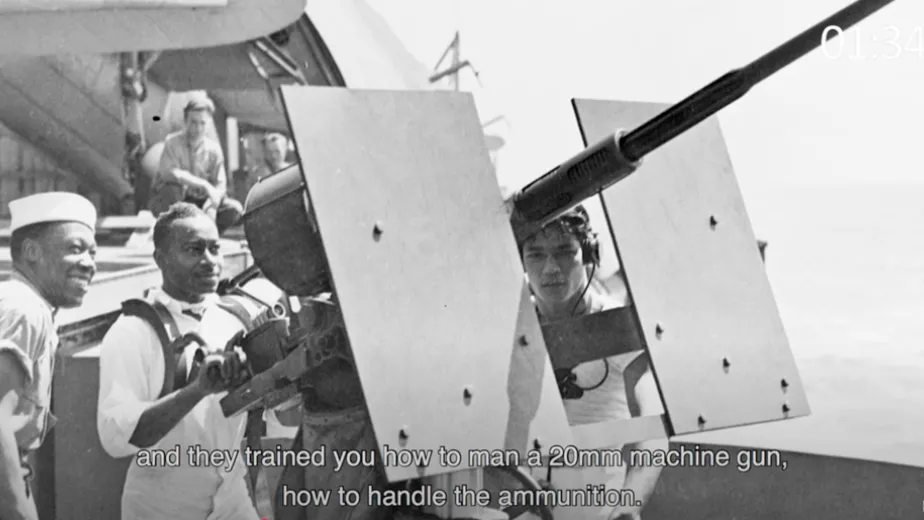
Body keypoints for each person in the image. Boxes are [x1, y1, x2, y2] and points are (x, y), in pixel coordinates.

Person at [96, 202, 258, 519]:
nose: (210, 261)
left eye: (215, 249)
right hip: (161, 507)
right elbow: (117, 437)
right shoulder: (133, 332)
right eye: (194, 250)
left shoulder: (239, 318)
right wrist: (196, 390)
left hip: (233, 502)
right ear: (160, 259)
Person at [510, 204, 666, 520]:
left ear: (589, 254)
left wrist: (628, 507)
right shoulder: (510, 326)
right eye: (536, 255)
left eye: (564, 252)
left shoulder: (620, 329)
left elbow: (654, 432)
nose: (551, 268)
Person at [0, 192, 98, 520]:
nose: (89, 263)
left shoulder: (28, 305)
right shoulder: (24, 310)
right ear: (31, 252)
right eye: (75, 248)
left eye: (92, 252)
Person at [149, 98, 243, 235]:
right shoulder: (172, 142)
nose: (198, 128)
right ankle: (173, 235)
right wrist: (203, 184)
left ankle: (205, 236)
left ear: (209, 124)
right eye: (193, 122)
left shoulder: (214, 150)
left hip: (200, 204)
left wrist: (212, 204)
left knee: (235, 209)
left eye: (202, 123)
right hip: (176, 200)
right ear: (185, 121)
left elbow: (220, 184)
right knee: (171, 190)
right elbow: (170, 173)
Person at [233, 132, 292, 204]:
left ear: (285, 150)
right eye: (269, 152)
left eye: (277, 152)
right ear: (265, 153)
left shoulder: (293, 171)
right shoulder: (257, 174)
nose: (273, 156)